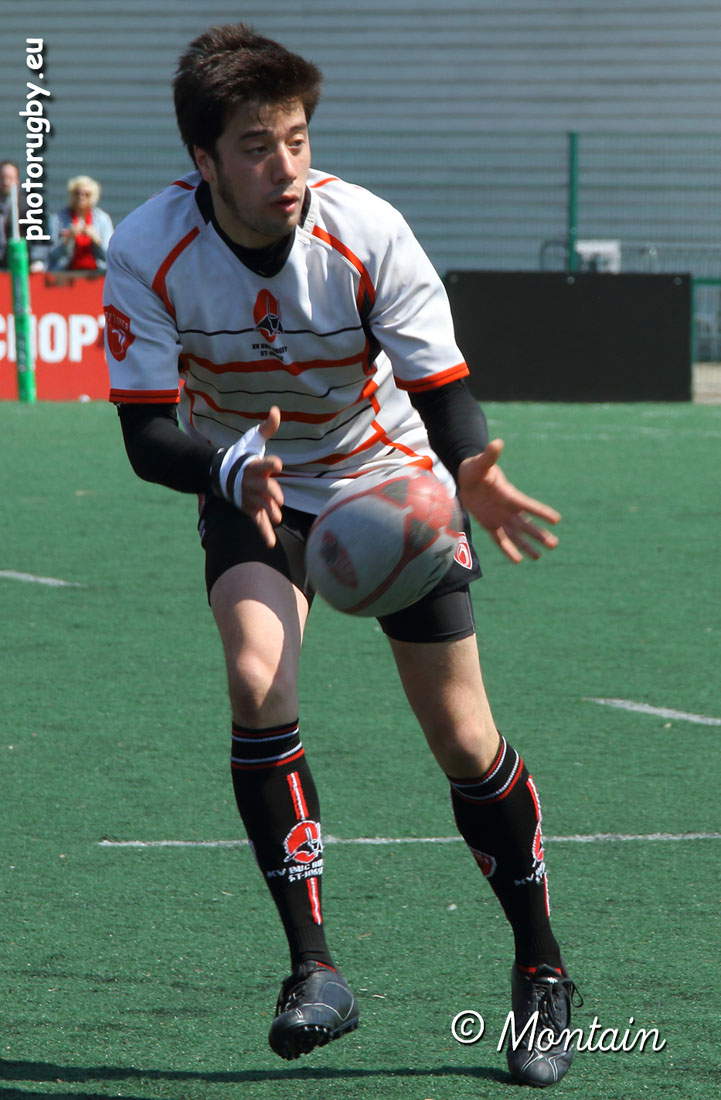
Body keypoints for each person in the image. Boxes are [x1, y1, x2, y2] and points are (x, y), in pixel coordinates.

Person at [103, 22, 581, 1087]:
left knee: (463, 737)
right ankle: (314, 969)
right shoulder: (145, 249)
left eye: (297, 139)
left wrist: (472, 472)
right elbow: (143, 437)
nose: (285, 166)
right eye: (256, 146)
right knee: (255, 676)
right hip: (249, 476)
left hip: (385, 482)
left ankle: (541, 966)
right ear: (202, 160)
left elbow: (444, 392)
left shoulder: (366, 230)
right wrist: (227, 471)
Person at [47, 174, 113, 271]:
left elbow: (111, 256)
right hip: (64, 274)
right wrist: (67, 239)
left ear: (93, 196)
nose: (81, 197)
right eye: (77, 193)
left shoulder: (103, 219)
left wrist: (97, 240)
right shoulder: (58, 219)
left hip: (97, 274)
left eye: (87, 194)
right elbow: (50, 254)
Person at [0, 159, 46, 271]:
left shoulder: (29, 205)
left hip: (20, 265)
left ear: (17, 180)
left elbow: (38, 236)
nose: (6, 182)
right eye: (2, 178)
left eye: (10, 178)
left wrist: (37, 259)